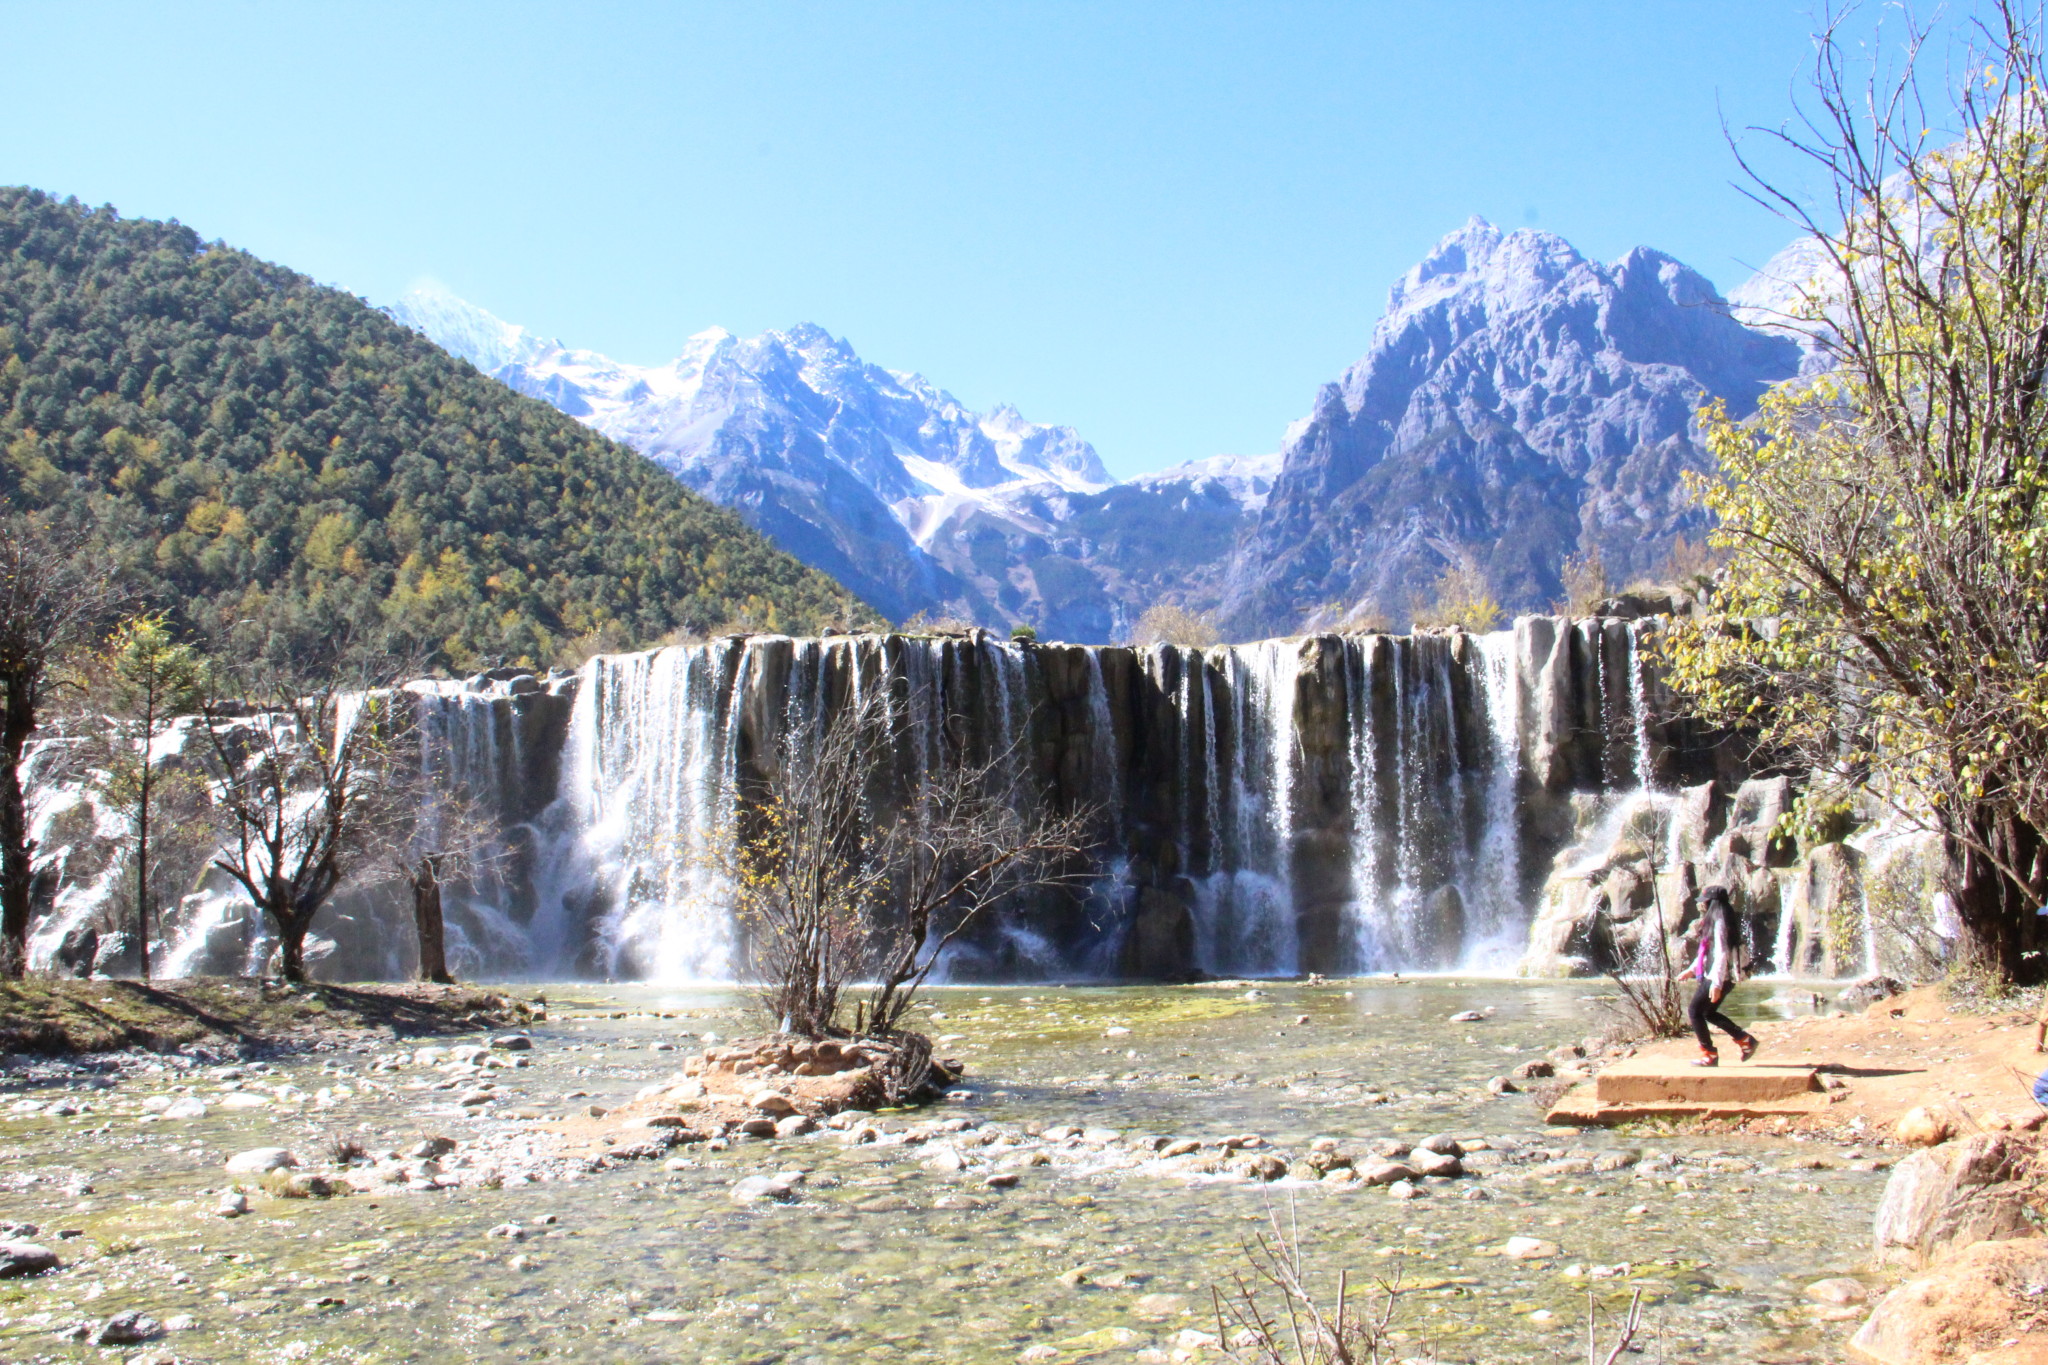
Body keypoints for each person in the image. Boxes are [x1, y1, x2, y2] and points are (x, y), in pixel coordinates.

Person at [1676, 885, 1759, 1067]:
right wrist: (1691, 969)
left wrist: (1716, 983)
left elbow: (1721, 953)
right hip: (1719, 976)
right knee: (1707, 1012)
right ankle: (1745, 1040)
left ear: (1712, 903)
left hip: (1719, 977)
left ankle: (1710, 1054)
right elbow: (1708, 951)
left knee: (1694, 1011)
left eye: (1705, 902)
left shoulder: (1720, 922)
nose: (1702, 906)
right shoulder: (1720, 919)